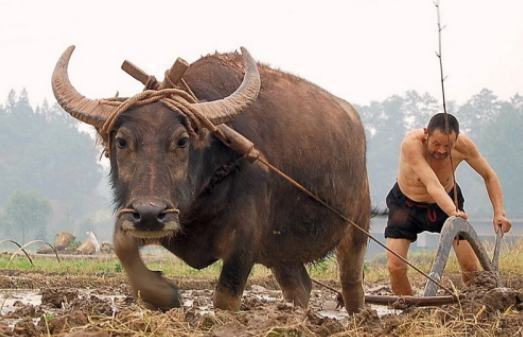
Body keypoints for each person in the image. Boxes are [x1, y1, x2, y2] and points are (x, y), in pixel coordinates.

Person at [385, 113, 512, 295]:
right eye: (436, 144)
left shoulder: (464, 146)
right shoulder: (411, 145)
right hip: (406, 205)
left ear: (456, 139)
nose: (442, 151)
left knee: (471, 268)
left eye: (448, 146)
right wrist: (454, 212)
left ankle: (472, 306)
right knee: (395, 266)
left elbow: (489, 175)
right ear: (426, 133)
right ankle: (409, 310)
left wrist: (499, 212)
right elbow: (432, 184)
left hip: (447, 199)